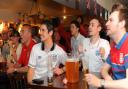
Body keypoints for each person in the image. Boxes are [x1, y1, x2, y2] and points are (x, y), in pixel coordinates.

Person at [85, 4, 128, 89]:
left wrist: (101, 82)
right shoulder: (114, 46)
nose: (106, 23)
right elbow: (103, 69)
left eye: (111, 20)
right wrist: (110, 82)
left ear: (122, 23)